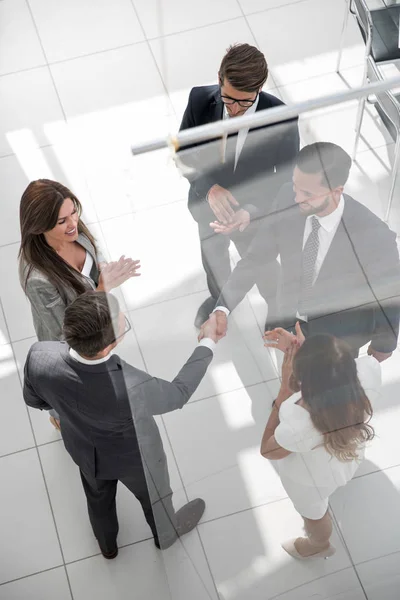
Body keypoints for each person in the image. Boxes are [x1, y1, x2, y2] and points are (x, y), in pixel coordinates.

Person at [23, 291, 223, 558]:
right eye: (121, 323)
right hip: (136, 461)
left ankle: (107, 546)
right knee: (155, 500)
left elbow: (33, 398)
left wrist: (64, 412)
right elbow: (178, 394)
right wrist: (208, 341)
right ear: (107, 346)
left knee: (97, 499)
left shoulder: (40, 355)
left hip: (84, 451)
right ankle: (164, 536)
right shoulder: (132, 385)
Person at [204, 142, 400, 360]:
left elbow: (389, 294)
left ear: (336, 192)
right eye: (296, 186)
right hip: (288, 321)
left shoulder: (375, 236)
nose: (297, 198)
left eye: (307, 192)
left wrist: (384, 345)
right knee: (290, 378)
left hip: (337, 339)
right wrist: (222, 308)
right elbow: (255, 258)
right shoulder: (287, 196)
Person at [178, 43, 300, 328]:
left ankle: (278, 311)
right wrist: (209, 189)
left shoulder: (281, 116)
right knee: (213, 259)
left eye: (244, 103)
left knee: (263, 267)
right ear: (219, 78)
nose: (234, 110)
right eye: (228, 99)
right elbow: (182, 154)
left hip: (253, 214)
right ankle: (218, 301)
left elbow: (285, 179)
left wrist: (250, 211)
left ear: (259, 89)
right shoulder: (199, 100)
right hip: (208, 206)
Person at [18, 179, 140, 429]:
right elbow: (64, 334)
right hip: (74, 347)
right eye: (61, 221)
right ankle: (60, 418)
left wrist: (107, 269)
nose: (73, 224)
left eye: (73, 212)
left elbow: (95, 255)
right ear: (39, 226)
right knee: (72, 397)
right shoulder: (37, 278)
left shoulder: (77, 231)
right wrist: (103, 289)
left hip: (97, 328)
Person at [260, 333, 381, 559]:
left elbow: (267, 450)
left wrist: (284, 392)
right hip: (350, 450)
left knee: (314, 514)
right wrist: (317, 357)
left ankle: (319, 544)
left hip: (311, 479)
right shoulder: (369, 369)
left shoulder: (297, 422)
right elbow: (333, 377)